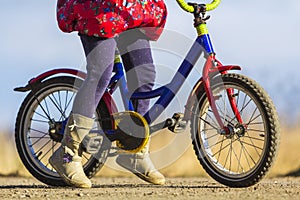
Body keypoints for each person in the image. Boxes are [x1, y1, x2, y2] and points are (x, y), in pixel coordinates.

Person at [49, 0, 167, 188]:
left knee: (144, 74)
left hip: (133, 10)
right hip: (99, 10)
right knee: (100, 74)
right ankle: (67, 154)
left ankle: (135, 149)